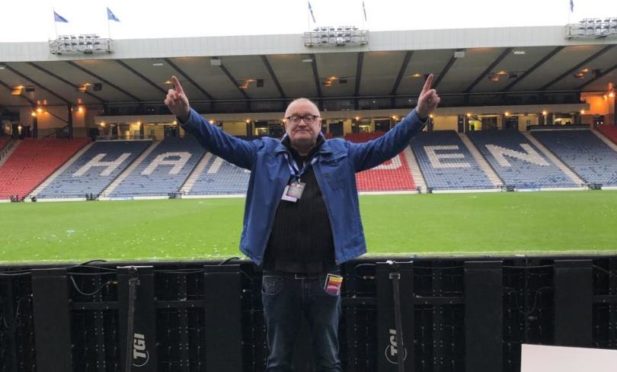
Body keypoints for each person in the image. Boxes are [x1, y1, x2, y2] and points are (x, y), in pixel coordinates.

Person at [165, 74, 440, 371]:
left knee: (329, 358)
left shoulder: (342, 153)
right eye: (294, 117)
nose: (301, 122)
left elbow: (385, 145)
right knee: (278, 359)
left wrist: (419, 115)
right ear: (284, 124)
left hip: (327, 276)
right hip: (277, 277)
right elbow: (220, 142)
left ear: (321, 123)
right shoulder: (263, 153)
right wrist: (186, 115)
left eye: (309, 117)